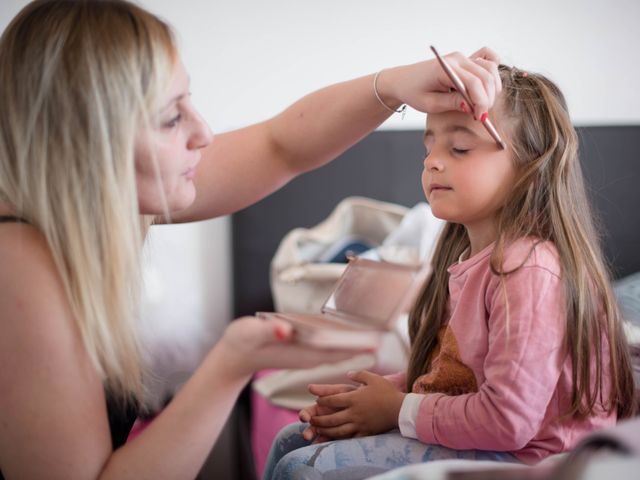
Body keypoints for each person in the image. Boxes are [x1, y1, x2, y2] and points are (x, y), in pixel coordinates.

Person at [0, 1, 504, 478]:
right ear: (90, 143)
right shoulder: (20, 270)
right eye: (172, 117)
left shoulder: (90, 207)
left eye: (189, 102)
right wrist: (234, 361)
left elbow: (280, 146)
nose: (203, 132)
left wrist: (394, 85)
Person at [263, 65, 637, 479]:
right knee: (290, 440)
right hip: (493, 438)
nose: (433, 163)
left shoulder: (527, 268)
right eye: (429, 148)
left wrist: (397, 408)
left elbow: (509, 421)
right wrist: (379, 394)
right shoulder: (466, 260)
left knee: (303, 467)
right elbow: (458, 372)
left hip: (531, 456)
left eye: (459, 148)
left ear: (529, 166)